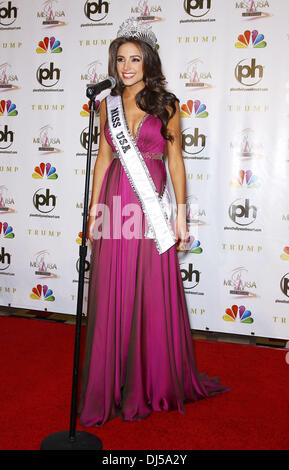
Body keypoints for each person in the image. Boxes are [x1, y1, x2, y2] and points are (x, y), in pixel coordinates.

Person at [78, 18, 229, 427]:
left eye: (135, 58)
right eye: (121, 59)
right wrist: (93, 211)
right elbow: (105, 159)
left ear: (149, 61)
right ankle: (110, 384)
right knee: (112, 287)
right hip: (114, 203)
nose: (127, 66)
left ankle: (154, 381)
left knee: (149, 288)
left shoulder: (166, 103)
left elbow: (175, 160)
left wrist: (181, 214)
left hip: (150, 207)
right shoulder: (105, 104)